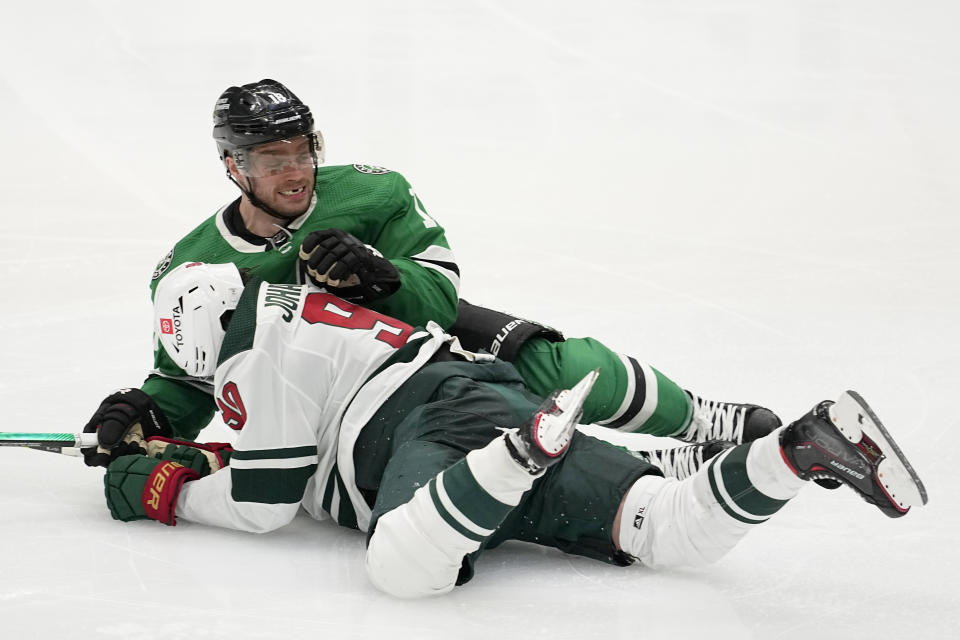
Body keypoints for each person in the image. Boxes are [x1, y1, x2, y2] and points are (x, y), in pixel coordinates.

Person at [102, 262, 927, 598]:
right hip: (473, 388)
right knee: (665, 532)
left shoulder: (245, 351)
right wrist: (215, 452)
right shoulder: (290, 304)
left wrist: (172, 491)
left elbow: (264, 505)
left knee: (400, 566)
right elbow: (290, 430)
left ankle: (523, 453)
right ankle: (800, 448)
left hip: (414, 428)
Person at [81, 79, 781, 471]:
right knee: (495, 441)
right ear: (233, 167)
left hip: (416, 333)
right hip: (333, 393)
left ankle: (696, 418)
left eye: (302, 151)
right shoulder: (192, 264)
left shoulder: (375, 192)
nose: (295, 172)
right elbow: (187, 373)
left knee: (570, 363)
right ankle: (647, 471)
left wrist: (382, 279)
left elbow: (440, 289)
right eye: (272, 160)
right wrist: (142, 414)